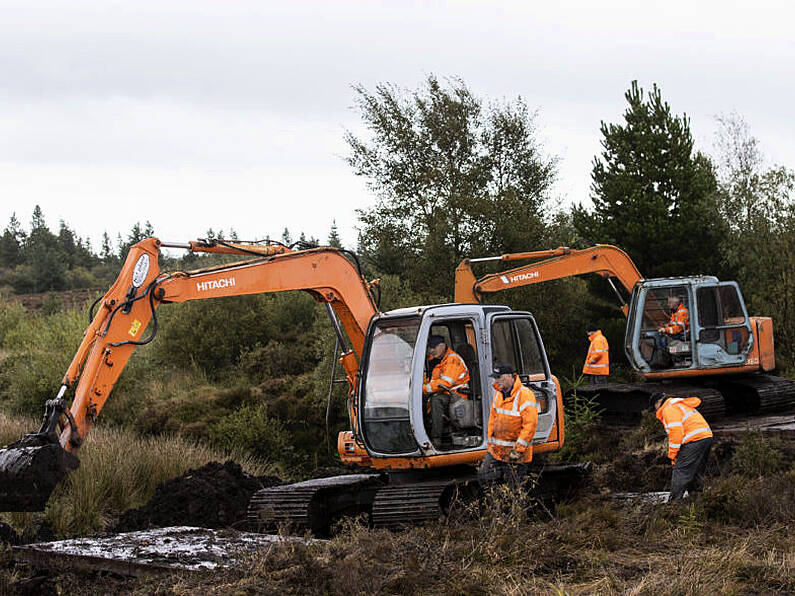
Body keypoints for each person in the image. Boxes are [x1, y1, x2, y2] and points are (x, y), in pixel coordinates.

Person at [478, 363, 538, 488]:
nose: (497, 380)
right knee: (485, 477)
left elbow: (530, 425)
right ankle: (497, 504)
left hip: (516, 454)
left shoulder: (525, 395)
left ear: (511, 376)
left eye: (499, 377)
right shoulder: (498, 394)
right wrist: (490, 444)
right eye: (495, 377)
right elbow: (492, 420)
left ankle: (517, 507)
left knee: (515, 488)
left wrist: (518, 450)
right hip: (497, 452)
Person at [650, 392, 713, 501]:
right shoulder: (676, 404)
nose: (655, 410)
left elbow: (676, 432)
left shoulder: (668, 409)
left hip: (694, 440)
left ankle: (673, 503)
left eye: (654, 407)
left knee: (680, 469)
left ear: (658, 402)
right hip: (705, 437)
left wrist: (673, 455)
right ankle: (697, 499)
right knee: (695, 470)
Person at [423, 335, 469, 443]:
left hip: (457, 395)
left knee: (436, 400)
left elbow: (446, 383)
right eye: (429, 348)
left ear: (443, 346)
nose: (431, 350)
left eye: (434, 347)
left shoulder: (452, 360)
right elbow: (434, 381)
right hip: (446, 393)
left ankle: (436, 439)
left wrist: (425, 389)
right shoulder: (438, 360)